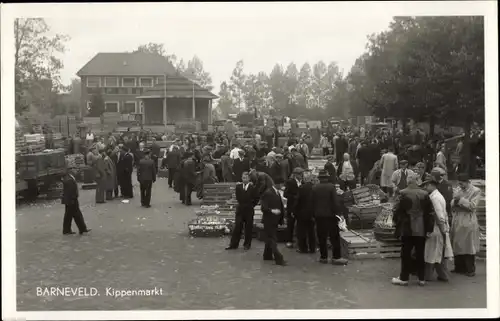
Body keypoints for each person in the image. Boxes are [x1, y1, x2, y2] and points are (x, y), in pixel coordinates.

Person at [391, 173, 434, 286]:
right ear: (417, 181)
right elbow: (430, 213)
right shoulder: (425, 194)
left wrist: (396, 224)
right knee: (420, 253)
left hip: (407, 227)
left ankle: (404, 278)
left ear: (408, 181)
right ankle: (421, 278)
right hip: (421, 227)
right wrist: (429, 229)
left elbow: (396, 210)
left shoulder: (402, 193)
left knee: (406, 253)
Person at [311, 170, 348, 265]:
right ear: (327, 178)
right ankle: (336, 257)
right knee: (334, 237)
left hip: (319, 216)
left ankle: (323, 257)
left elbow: (312, 202)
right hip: (330, 215)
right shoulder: (331, 187)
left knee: (321, 237)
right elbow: (335, 202)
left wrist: (313, 214)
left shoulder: (314, 187)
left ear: (319, 178)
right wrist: (339, 213)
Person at [450, 174, 481, 277]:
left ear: (467, 181)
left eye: (462, 183)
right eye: (459, 183)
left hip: (468, 220)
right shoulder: (458, 189)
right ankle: (459, 267)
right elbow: (452, 203)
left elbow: (472, 206)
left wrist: (460, 200)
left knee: (468, 245)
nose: (460, 185)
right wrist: (455, 201)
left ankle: (470, 269)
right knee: (457, 243)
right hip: (458, 219)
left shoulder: (475, 190)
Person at [423, 180, 454, 282]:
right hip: (439, 227)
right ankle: (443, 275)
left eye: (426, 185)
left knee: (431, 253)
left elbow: (439, 215)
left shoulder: (435, 198)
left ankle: (428, 276)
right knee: (438, 253)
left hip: (436, 228)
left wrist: (442, 229)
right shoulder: (437, 195)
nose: (425, 187)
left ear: (432, 185)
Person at [226, 172, 258, 250]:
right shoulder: (238, 187)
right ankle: (233, 244)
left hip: (249, 210)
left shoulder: (252, 188)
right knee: (237, 227)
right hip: (240, 210)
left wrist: (251, 205)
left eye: (246, 178)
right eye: (243, 178)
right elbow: (238, 197)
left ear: (249, 178)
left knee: (248, 228)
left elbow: (256, 198)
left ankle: (247, 244)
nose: (244, 179)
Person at [260, 179, 287, 266]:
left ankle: (267, 255)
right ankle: (279, 258)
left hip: (274, 220)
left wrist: (281, 217)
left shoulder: (277, 192)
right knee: (273, 239)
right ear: (277, 184)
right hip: (269, 220)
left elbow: (280, 205)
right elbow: (263, 207)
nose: (283, 186)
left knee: (269, 238)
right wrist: (272, 211)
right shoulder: (268, 193)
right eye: (282, 184)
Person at [61, 168, 91, 235]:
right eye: (74, 169)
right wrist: (73, 199)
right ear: (70, 171)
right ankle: (71, 230)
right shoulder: (69, 179)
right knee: (72, 215)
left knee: (74, 214)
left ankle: (81, 229)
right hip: (71, 200)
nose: (76, 170)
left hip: (71, 199)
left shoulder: (70, 177)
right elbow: (69, 191)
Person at [294, 171, 316, 254]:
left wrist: (295, 211)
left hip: (302, 213)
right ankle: (312, 248)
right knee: (312, 232)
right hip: (312, 213)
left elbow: (297, 201)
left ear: (304, 179)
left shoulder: (301, 188)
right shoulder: (314, 188)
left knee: (302, 232)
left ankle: (303, 248)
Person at [284, 167, 303, 249]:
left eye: (301, 174)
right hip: (291, 206)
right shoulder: (290, 182)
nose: (301, 176)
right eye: (299, 174)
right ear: (295, 174)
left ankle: (300, 241)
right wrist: (295, 196)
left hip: (301, 206)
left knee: (300, 224)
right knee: (290, 224)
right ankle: (289, 240)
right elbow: (285, 194)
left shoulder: (303, 182)